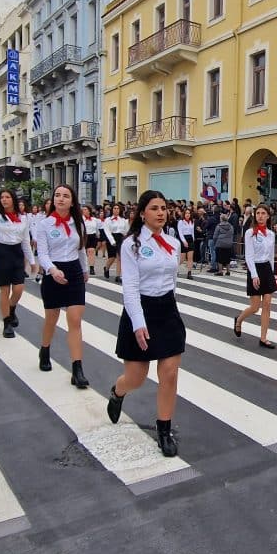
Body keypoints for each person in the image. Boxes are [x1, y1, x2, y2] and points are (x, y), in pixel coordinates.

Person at [106, 190, 184, 458]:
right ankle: (117, 392)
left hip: (167, 310)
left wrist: (172, 305)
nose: (161, 212)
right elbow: (130, 287)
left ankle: (164, 430)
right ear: (142, 213)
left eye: (163, 207)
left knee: (170, 373)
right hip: (140, 309)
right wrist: (138, 323)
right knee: (136, 377)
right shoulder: (131, 245)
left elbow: (172, 281)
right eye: (154, 208)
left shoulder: (173, 243)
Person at [35, 184, 90, 388]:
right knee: (52, 318)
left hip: (74, 272)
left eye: (65, 196)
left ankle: (77, 369)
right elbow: (42, 253)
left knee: (75, 320)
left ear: (72, 201)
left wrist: (85, 270)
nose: (61, 199)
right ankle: (45, 349)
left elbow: (81, 249)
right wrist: (52, 270)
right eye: (57, 195)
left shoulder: (78, 223)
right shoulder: (45, 224)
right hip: (53, 273)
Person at [0, 169, 35, 338]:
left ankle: (12, 309)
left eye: (7, 197)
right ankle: (6, 323)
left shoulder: (23, 218)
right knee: (4, 290)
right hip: (3, 252)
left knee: (19, 289)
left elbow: (26, 240)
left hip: (17, 253)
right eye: (2, 197)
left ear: (13, 199)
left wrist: (32, 261)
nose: (4, 200)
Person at [235, 203, 277, 348]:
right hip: (255, 268)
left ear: (268, 216)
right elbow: (249, 256)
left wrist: (272, 273)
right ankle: (239, 320)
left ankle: (263, 338)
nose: (260, 215)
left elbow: (271, 255)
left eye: (263, 213)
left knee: (267, 304)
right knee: (255, 307)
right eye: (258, 213)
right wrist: (254, 275)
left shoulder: (271, 234)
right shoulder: (250, 233)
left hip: (266, 268)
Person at [103, 203, 128, 283]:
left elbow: (125, 231)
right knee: (112, 257)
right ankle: (106, 268)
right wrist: (112, 241)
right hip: (111, 238)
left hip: (120, 238)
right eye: (114, 208)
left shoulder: (123, 220)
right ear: (112, 210)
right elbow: (107, 231)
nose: (116, 210)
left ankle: (118, 276)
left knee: (119, 257)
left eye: (117, 208)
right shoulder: (108, 220)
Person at [212, 210, 235, 276]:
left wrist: (215, 242)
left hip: (220, 244)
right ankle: (228, 271)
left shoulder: (218, 226)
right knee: (227, 258)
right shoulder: (231, 226)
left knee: (219, 258)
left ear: (221, 219)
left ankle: (220, 271)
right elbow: (232, 234)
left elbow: (215, 236)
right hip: (229, 244)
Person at [177, 207, 196, 280]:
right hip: (183, 239)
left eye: (189, 213)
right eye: (186, 213)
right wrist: (184, 241)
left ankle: (189, 273)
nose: (188, 214)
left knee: (190, 258)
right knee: (182, 258)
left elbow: (192, 232)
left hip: (190, 239)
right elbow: (180, 233)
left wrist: (193, 239)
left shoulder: (192, 221)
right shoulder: (181, 222)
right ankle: (174, 269)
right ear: (184, 214)